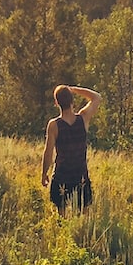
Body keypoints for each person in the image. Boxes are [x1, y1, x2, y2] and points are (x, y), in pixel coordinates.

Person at [42, 84, 102, 213]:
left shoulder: (54, 125)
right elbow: (96, 97)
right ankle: (82, 233)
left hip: (61, 176)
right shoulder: (83, 118)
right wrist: (74, 89)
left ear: (56, 103)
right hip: (80, 175)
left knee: (61, 217)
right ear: (72, 100)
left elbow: (48, 153)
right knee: (83, 216)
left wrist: (44, 173)